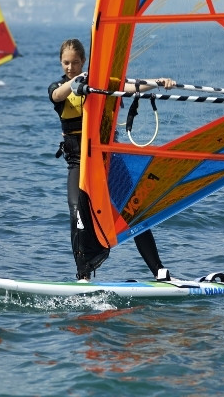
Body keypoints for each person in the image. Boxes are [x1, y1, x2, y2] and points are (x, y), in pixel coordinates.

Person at [48, 38, 175, 282]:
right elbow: (57, 95)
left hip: (107, 162)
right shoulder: (59, 87)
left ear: (83, 61)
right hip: (79, 164)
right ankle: (83, 275)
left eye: (75, 63)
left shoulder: (101, 85)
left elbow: (130, 86)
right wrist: (79, 81)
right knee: (77, 214)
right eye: (66, 63)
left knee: (134, 211)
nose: (70, 67)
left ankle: (159, 271)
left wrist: (159, 82)